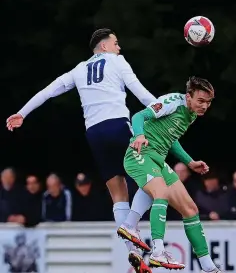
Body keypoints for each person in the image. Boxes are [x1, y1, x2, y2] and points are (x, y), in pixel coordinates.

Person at [6, 28, 155, 273]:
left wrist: (22, 113)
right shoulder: (117, 61)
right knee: (153, 179)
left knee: (118, 193)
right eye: (116, 43)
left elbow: (48, 91)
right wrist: (164, 107)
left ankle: (132, 251)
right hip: (118, 125)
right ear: (104, 46)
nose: (120, 48)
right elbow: (140, 92)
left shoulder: (79, 69)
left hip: (94, 134)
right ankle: (136, 230)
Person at [118, 77, 223, 273]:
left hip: (157, 159)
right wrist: (139, 135)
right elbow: (139, 117)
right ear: (188, 96)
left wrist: (189, 162)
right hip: (140, 153)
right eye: (201, 101)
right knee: (161, 192)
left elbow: (171, 138)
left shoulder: (191, 113)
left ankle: (208, 267)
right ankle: (158, 252)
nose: (205, 106)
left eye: (208, 102)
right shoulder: (173, 102)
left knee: (190, 209)